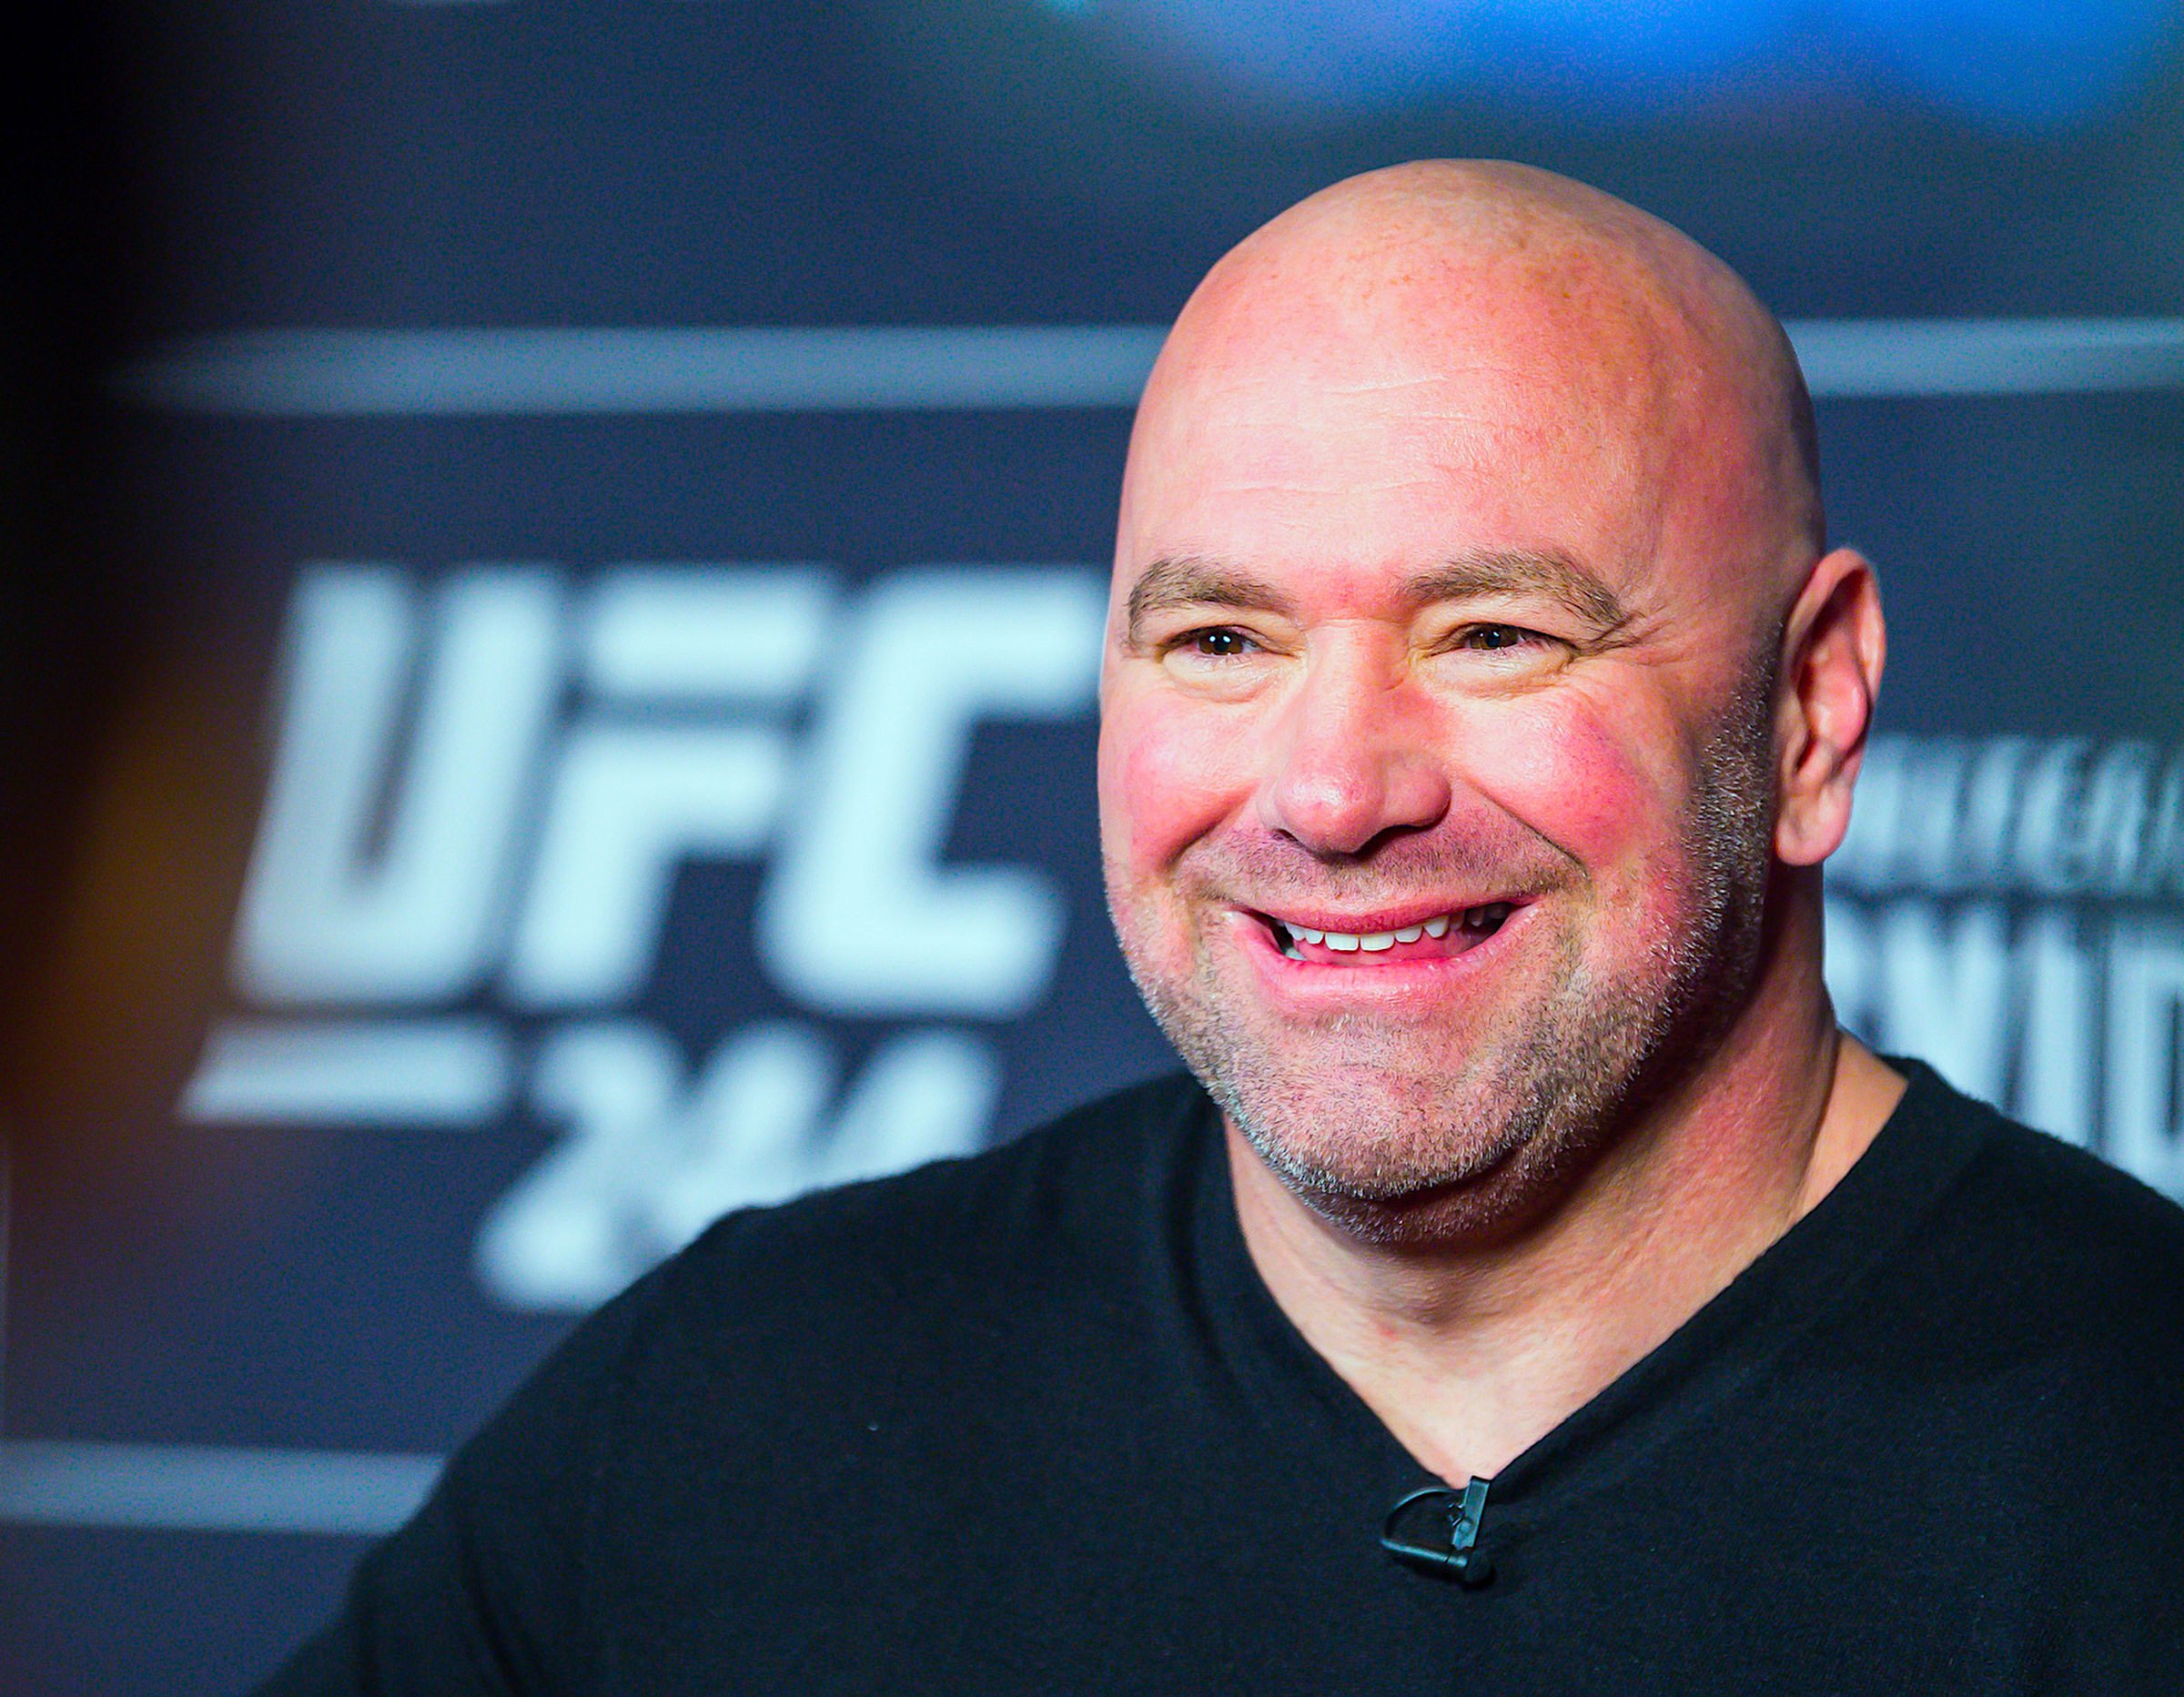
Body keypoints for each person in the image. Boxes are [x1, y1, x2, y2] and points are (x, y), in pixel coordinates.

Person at [262, 162, 2184, 1693]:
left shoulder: (2136, 1468)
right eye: (1221, 641)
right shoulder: (732, 1420)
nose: (1334, 792)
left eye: (1492, 634)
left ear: (1808, 711)